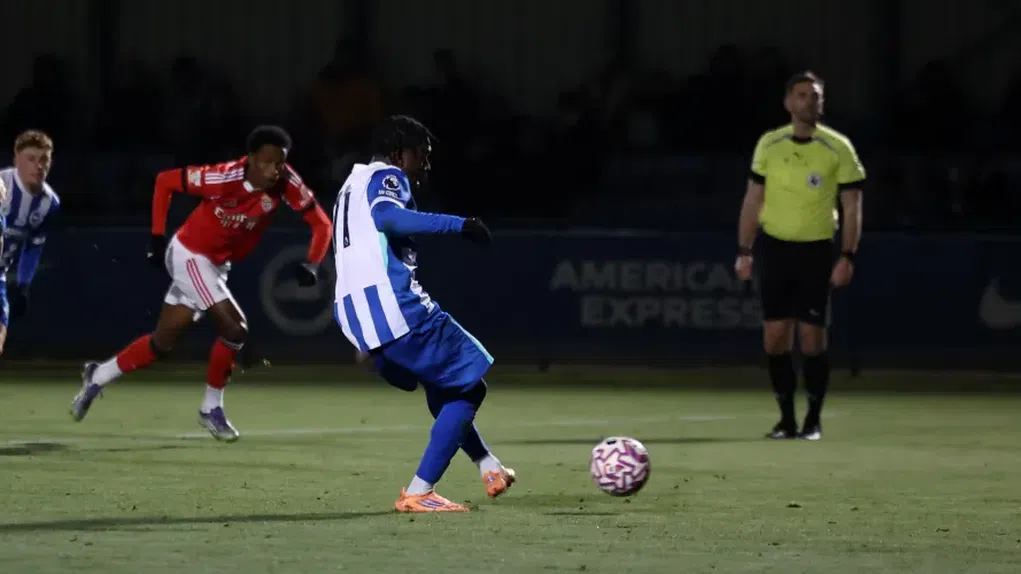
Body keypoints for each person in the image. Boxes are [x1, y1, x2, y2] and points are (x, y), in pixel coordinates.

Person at [70, 125, 332, 441]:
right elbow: (165, 180)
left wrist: (312, 263)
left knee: (161, 343)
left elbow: (322, 224)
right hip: (189, 254)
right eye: (269, 161)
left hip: (216, 266)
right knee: (235, 329)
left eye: (281, 162)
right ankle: (211, 409)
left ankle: (98, 375)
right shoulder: (222, 178)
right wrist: (155, 235)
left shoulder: (287, 182)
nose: (276, 169)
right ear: (250, 159)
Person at [334, 115, 515, 512]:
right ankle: (419, 491)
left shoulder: (350, 185)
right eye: (423, 155)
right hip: (397, 309)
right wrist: (460, 225)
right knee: (470, 383)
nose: (426, 165)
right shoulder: (388, 176)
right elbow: (388, 217)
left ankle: (488, 466)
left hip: (356, 318)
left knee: (445, 387)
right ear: (400, 153)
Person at [734, 71, 865, 441]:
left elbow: (852, 206)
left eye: (816, 96)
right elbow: (752, 199)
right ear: (789, 102)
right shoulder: (769, 145)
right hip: (775, 248)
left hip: (816, 251)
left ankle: (813, 420)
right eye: (803, 95)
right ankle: (786, 419)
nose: (811, 102)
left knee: (811, 340)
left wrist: (847, 255)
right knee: (775, 338)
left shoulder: (838, 148)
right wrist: (744, 250)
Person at [0, 130, 60, 355]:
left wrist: (24, 285)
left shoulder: (49, 204)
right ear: (16, 159)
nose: (39, 166)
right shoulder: (2, 185)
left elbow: (34, 246)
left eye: (44, 159)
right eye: (31, 159)